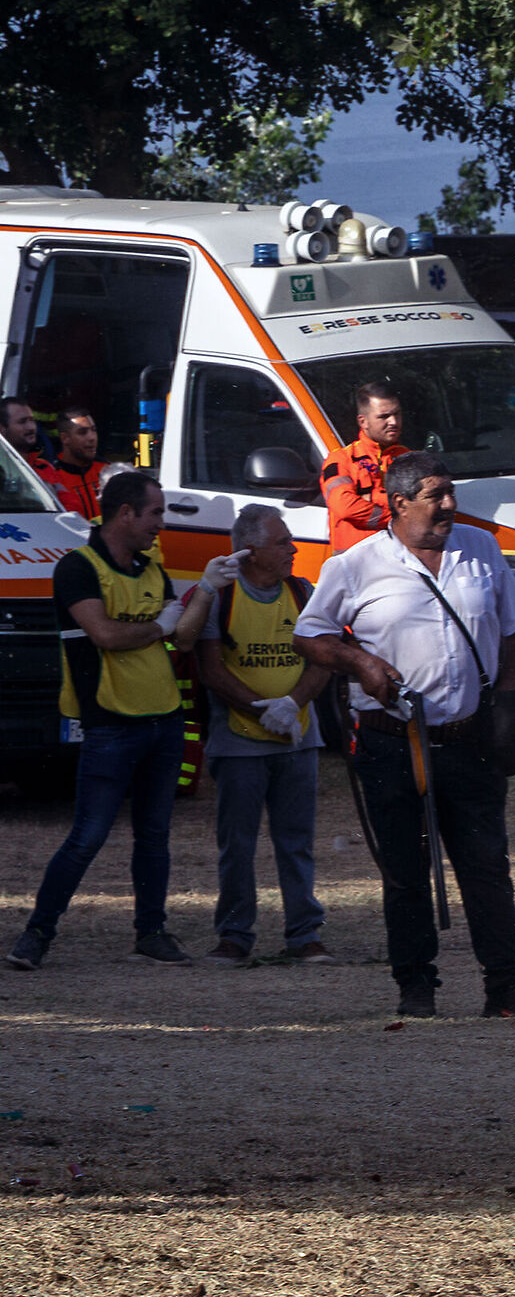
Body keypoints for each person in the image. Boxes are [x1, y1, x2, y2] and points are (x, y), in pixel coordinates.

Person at [294, 452, 515, 1019]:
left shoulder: (480, 549)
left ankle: (507, 986)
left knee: (487, 868)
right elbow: (309, 635)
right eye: (436, 495)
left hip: (470, 740)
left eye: (451, 492)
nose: (450, 505)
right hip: (391, 745)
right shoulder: (354, 565)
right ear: (400, 503)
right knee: (405, 873)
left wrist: (509, 701)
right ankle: (415, 987)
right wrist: (360, 662)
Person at [6, 471, 242, 971]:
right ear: (125, 513)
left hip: (164, 719)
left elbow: (182, 639)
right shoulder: (77, 567)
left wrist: (205, 590)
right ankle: (36, 934)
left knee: (154, 836)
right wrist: (159, 624)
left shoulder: (151, 569)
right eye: (155, 512)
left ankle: (151, 933)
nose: (161, 523)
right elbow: (106, 635)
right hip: (111, 722)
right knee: (87, 836)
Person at [195, 503, 336, 967]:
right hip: (238, 744)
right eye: (282, 542)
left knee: (296, 841)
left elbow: (324, 657)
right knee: (237, 844)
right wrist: (261, 710)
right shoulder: (222, 597)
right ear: (250, 551)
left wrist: (292, 705)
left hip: (298, 739)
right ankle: (235, 936)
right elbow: (211, 670)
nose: (292, 549)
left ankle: (305, 934)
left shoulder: (302, 592)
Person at [321, 380, 411, 554]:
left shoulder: (410, 459)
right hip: (356, 562)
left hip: (402, 558)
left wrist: (371, 498)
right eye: (384, 416)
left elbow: (423, 505)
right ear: (363, 422)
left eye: (397, 414)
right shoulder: (341, 459)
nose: (393, 421)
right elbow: (345, 507)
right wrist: (398, 516)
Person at [38, 406, 103, 518]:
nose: (92, 437)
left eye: (94, 430)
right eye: (82, 432)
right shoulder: (52, 478)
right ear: (65, 438)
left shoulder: (106, 470)